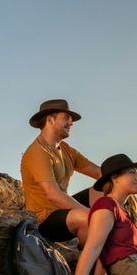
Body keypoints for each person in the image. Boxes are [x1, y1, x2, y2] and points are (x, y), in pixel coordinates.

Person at [19, 99, 102, 244]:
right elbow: (54, 195)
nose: (71, 123)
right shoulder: (37, 153)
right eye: (66, 118)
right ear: (50, 120)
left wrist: (120, 180)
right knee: (87, 218)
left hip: (62, 210)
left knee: (109, 189)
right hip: (44, 221)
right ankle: (92, 262)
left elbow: (99, 174)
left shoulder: (65, 149)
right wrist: (92, 214)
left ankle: (123, 245)